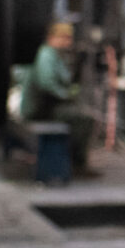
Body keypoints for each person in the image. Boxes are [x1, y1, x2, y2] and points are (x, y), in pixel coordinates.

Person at [20, 19, 97, 174]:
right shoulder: (45, 54)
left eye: (69, 38)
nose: (67, 42)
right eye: (64, 37)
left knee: (81, 113)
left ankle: (71, 158)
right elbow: (47, 85)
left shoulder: (55, 56)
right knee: (84, 119)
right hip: (39, 109)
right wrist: (67, 95)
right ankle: (76, 162)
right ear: (52, 37)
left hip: (47, 107)